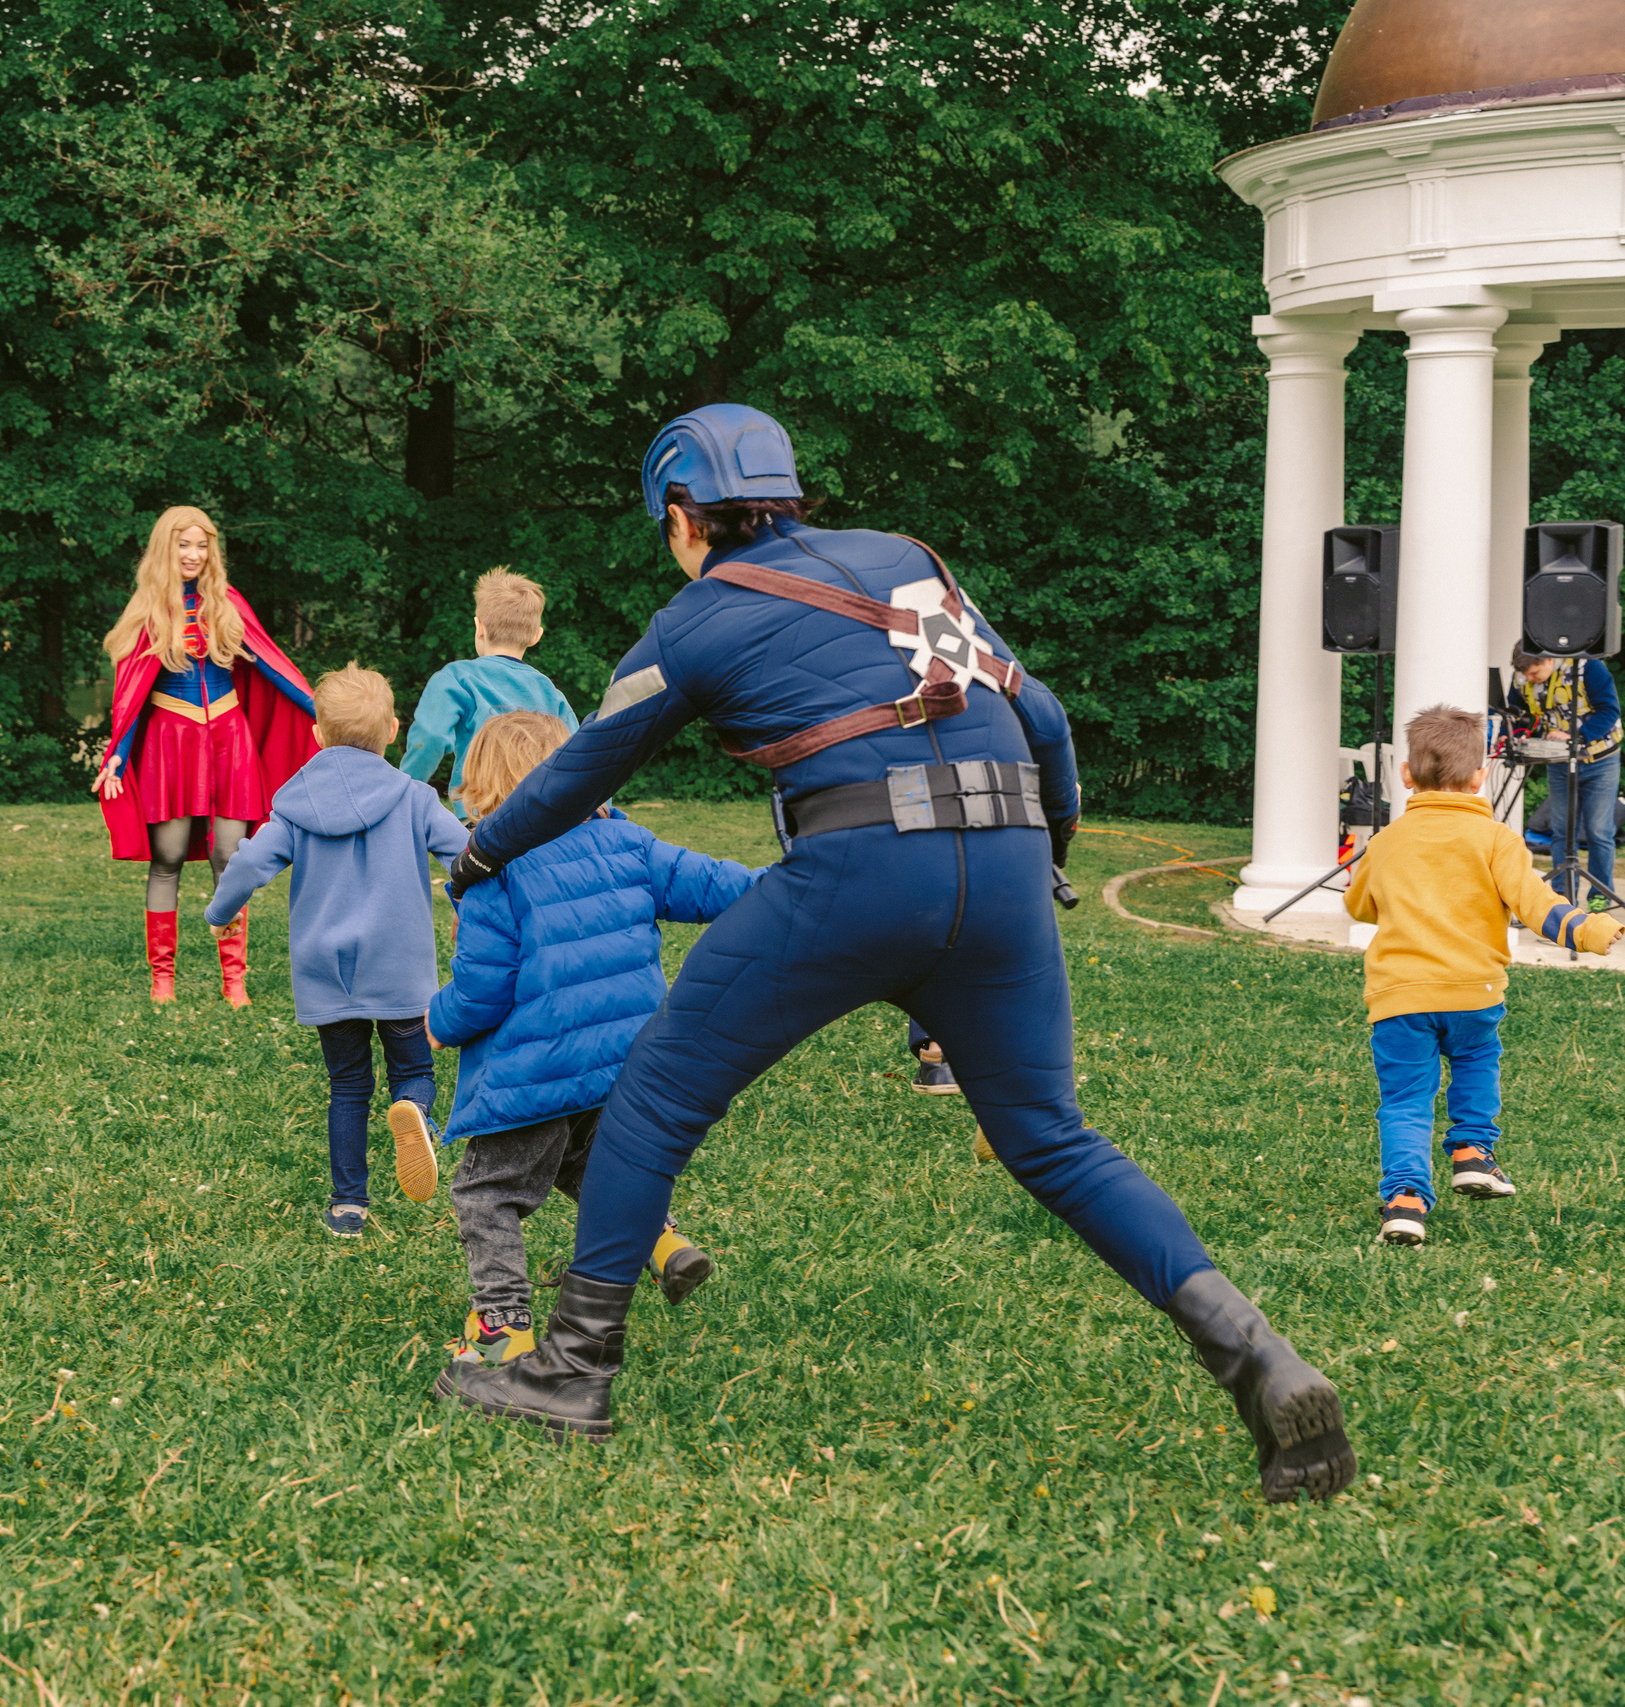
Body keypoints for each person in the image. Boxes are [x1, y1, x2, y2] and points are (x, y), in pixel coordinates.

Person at [433, 403, 1357, 1506]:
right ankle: (1256, 1354)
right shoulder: (909, 565)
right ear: (785, 492)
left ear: (682, 516)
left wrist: (481, 853)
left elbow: (580, 768)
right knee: (1051, 1140)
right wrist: (1046, 855)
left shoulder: (694, 619)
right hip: (1007, 861)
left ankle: (573, 1371)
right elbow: (1045, 719)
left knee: (649, 1102)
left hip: (857, 870)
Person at [426, 712, 757, 1365]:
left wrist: (437, 1022)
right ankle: (660, 1243)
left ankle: (502, 1324)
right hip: (624, 1066)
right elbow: (721, 886)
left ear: (483, 788)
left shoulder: (496, 869)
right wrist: (801, 882)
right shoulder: (629, 842)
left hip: (536, 1076)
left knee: (488, 1192)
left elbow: (482, 992)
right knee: (592, 1167)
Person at [205, 665, 469, 1235]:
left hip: (330, 975)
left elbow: (249, 863)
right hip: (400, 971)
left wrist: (220, 914)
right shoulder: (415, 798)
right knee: (413, 1069)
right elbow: (466, 856)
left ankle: (349, 1204)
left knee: (348, 1086)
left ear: (318, 735)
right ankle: (414, 1114)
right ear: (394, 730)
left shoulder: (295, 804)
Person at [1345, 704, 1619, 1246]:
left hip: (1399, 997)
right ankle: (1471, 1153)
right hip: (1473, 992)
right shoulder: (1496, 840)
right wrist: (1589, 930)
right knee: (1475, 1060)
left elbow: (1360, 906)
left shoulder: (1386, 843)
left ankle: (1403, 1201)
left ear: (1406, 774)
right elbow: (1538, 905)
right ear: (1479, 776)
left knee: (1404, 1100)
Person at [94, 506, 319, 1005]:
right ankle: (163, 979)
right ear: (165, 548)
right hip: (169, 743)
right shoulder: (149, 609)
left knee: (229, 858)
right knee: (168, 856)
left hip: (229, 739)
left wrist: (321, 714)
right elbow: (130, 695)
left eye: (202, 545)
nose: (193, 555)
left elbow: (274, 667)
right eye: (183, 545)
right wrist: (116, 756)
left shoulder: (227, 602)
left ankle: (234, 981)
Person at [398, 569, 580, 816]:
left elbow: (430, 736)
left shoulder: (457, 678)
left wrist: (404, 788)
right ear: (536, 636)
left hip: (480, 815)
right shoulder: (550, 692)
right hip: (540, 817)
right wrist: (597, 813)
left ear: (479, 626)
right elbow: (585, 755)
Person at [1510, 642, 1621, 908]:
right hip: (1558, 760)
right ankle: (1563, 897)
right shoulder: (1521, 675)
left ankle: (1599, 896)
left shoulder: (1588, 668)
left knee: (1598, 830)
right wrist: (1513, 733)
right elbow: (1518, 714)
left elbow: (1609, 710)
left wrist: (1576, 736)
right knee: (1561, 829)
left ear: (1549, 661)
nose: (1530, 679)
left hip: (1600, 759)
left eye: (1534, 673)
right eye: (1526, 676)